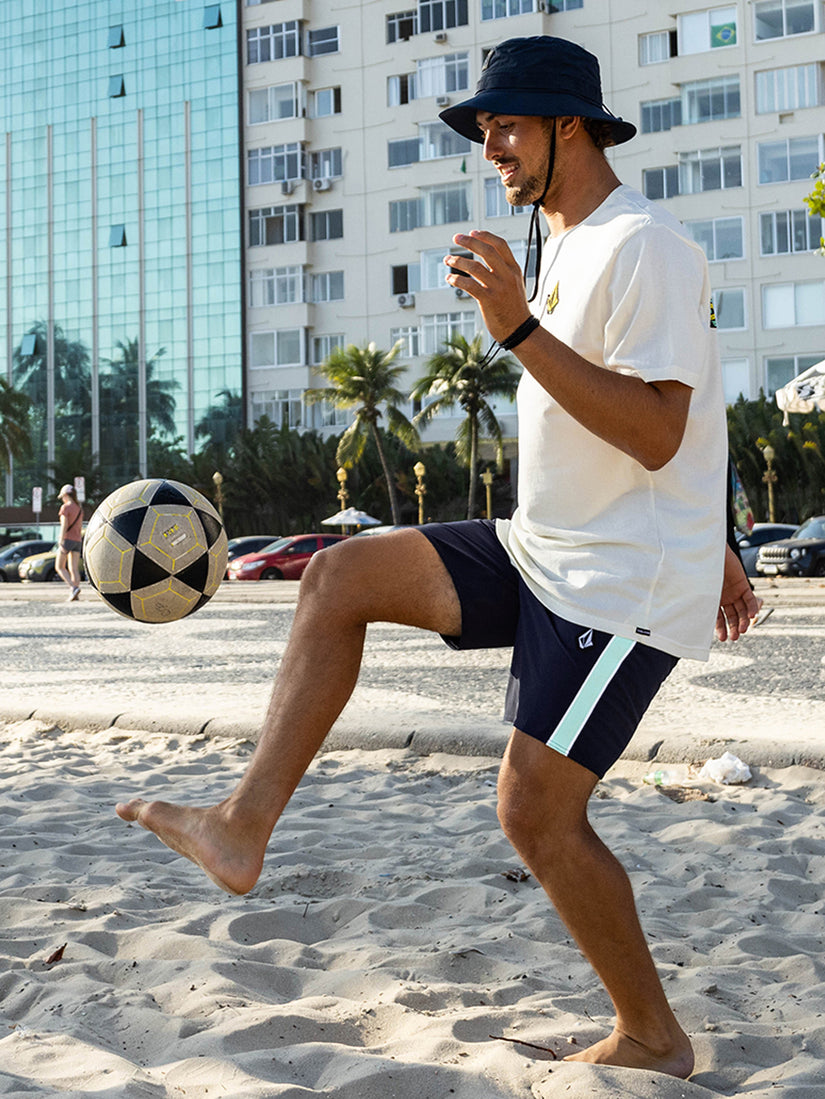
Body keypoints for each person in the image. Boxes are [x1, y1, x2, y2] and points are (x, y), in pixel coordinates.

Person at [116, 36, 759, 1078]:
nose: (490, 147)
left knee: (534, 812)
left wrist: (515, 330)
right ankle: (240, 825)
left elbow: (657, 429)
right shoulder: (563, 243)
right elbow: (668, 418)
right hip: (544, 543)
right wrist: (725, 535)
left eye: (507, 125)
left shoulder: (646, 243)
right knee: (338, 577)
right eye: (484, 128)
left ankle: (654, 1034)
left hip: (619, 583)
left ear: (572, 126)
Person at [55, 483, 83, 601]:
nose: (62, 499)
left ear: (66, 495)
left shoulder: (65, 508)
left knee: (59, 566)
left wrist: (61, 540)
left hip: (67, 539)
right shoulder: (79, 508)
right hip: (77, 540)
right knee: (74, 568)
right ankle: (75, 592)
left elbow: (64, 525)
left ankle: (73, 588)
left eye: (62, 496)